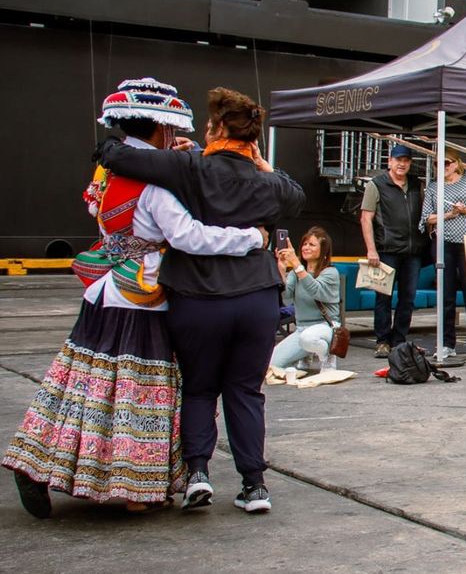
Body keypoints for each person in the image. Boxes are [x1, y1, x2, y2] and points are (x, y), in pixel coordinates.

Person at [4, 78, 266, 519]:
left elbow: (97, 211)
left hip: (104, 291)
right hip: (145, 297)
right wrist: (250, 238)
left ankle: (38, 462)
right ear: (161, 130)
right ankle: (135, 486)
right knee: (138, 393)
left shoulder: (108, 175)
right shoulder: (155, 188)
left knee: (80, 386)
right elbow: (190, 237)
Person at [96, 87, 305, 515]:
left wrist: (170, 149)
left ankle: (197, 474)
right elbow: (295, 196)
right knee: (246, 392)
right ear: (253, 138)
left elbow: (114, 156)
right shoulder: (269, 183)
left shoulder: (189, 167)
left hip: (198, 298)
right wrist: (264, 165)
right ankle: (254, 485)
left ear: (217, 129)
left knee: (199, 388)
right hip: (256, 298)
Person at [421, 148, 466, 361]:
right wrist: (449, 214)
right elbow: (426, 218)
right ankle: (446, 343)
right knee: (446, 295)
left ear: (456, 164)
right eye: (437, 164)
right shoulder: (433, 187)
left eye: (446, 163)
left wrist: (465, 210)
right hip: (443, 244)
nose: (442, 167)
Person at [361, 143, 425, 358]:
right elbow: (366, 218)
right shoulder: (376, 185)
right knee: (383, 297)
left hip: (412, 251)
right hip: (386, 250)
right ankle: (382, 341)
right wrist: (371, 250)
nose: (402, 164)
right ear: (389, 161)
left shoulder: (417, 184)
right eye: (398, 160)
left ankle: (399, 340)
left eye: (406, 160)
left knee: (408, 298)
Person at [270, 227, 341, 372]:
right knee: (271, 364)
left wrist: (296, 264)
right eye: (304, 244)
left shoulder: (330, 272)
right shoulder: (295, 274)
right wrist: (282, 270)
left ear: (324, 250)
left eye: (312, 244)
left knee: (308, 338)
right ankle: (304, 354)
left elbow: (315, 290)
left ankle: (327, 355)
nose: (306, 248)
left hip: (326, 327)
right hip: (301, 329)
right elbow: (287, 298)